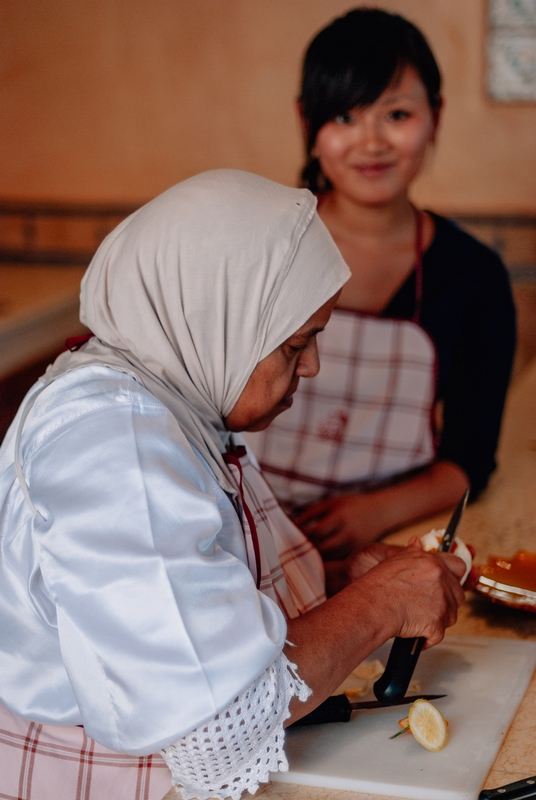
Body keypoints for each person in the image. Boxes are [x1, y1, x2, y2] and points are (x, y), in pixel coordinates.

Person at [0, 170, 465, 800]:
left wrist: (333, 578)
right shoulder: (112, 445)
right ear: (214, 323)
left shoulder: (167, 399)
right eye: (297, 344)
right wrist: (380, 603)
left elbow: (193, 591)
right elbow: (219, 727)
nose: (314, 365)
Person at [246, 8, 516, 561]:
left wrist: (376, 513)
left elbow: (469, 461)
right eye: (343, 116)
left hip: (394, 539)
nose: (370, 142)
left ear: (435, 117)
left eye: (395, 113)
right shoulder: (256, 246)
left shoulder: (475, 276)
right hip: (245, 523)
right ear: (306, 123)